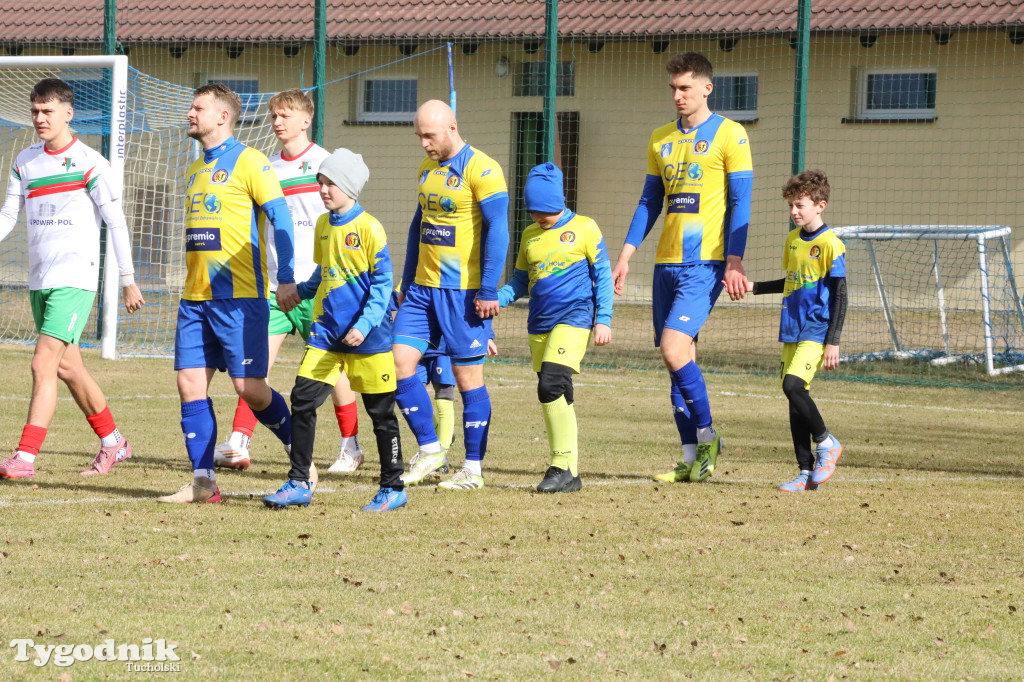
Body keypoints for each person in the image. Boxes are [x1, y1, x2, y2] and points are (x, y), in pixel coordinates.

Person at [610, 52, 753, 484]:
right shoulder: (660, 139)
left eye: (685, 87)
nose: (677, 95)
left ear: (706, 88)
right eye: (673, 88)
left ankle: (709, 435)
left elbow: (740, 200)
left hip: (705, 262)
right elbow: (650, 201)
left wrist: (734, 258)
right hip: (665, 264)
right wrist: (626, 254)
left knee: (674, 349)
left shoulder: (731, 134)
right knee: (677, 361)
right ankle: (691, 459)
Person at [158, 84, 298, 504]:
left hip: (241, 299)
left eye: (197, 108)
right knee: (189, 385)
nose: (189, 114)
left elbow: (282, 219)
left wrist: (286, 275)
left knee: (249, 389)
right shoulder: (194, 169)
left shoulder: (251, 162)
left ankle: (300, 455)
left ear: (222, 116)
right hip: (194, 298)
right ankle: (203, 483)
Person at [212, 88, 363, 474]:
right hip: (276, 288)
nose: (277, 122)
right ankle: (239, 443)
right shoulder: (265, 168)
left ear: (306, 119)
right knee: (254, 367)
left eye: (285, 115)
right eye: (274, 116)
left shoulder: (326, 163)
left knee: (335, 368)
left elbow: (348, 218)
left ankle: (351, 446)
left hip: (320, 287)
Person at [0, 78, 145, 479]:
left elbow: (116, 224)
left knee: (42, 363)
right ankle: (115, 442)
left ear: (68, 113)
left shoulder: (91, 163)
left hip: (75, 278)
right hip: (39, 279)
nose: (39, 119)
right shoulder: (25, 160)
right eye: (35, 111)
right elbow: (8, 216)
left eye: (47, 111)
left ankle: (24, 458)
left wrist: (128, 279)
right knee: (68, 368)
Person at [263, 148, 406, 511]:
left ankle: (393, 486)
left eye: (331, 184)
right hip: (326, 333)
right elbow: (323, 273)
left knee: (381, 414)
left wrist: (364, 324)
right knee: (303, 400)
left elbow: (382, 284)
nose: (324, 190)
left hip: (367, 338)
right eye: (321, 183)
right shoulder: (325, 226)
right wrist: (300, 291)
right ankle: (298, 481)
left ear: (351, 187)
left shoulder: (370, 227)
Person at [392, 100, 509, 491]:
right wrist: (406, 282)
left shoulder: (483, 168)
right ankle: (430, 449)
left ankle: (472, 469)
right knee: (399, 363)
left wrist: (489, 289)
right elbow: (417, 227)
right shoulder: (426, 168)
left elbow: (499, 230)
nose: (424, 143)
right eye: (419, 136)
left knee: (466, 378)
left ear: (452, 127)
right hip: (422, 290)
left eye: (430, 135)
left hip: (463, 293)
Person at [497, 163, 613, 492]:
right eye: (532, 212)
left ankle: (559, 463)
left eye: (542, 212)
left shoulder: (585, 228)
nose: (537, 219)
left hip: (575, 317)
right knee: (560, 393)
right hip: (539, 324)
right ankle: (571, 474)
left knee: (550, 385)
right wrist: (500, 299)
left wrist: (603, 318)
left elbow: (603, 275)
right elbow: (521, 280)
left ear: (556, 203)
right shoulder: (529, 234)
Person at [743, 170, 846, 491]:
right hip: (791, 328)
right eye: (790, 206)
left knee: (792, 386)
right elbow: (790, 282)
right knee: (794, 400)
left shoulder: (831, 244)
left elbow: (841, 295)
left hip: (816, 330)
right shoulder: (791, 240)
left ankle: (827, 442)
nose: (793, 212)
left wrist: (833, 342)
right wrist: (754, 286)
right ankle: (805, 474)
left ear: (820, 205)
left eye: (799, 205)